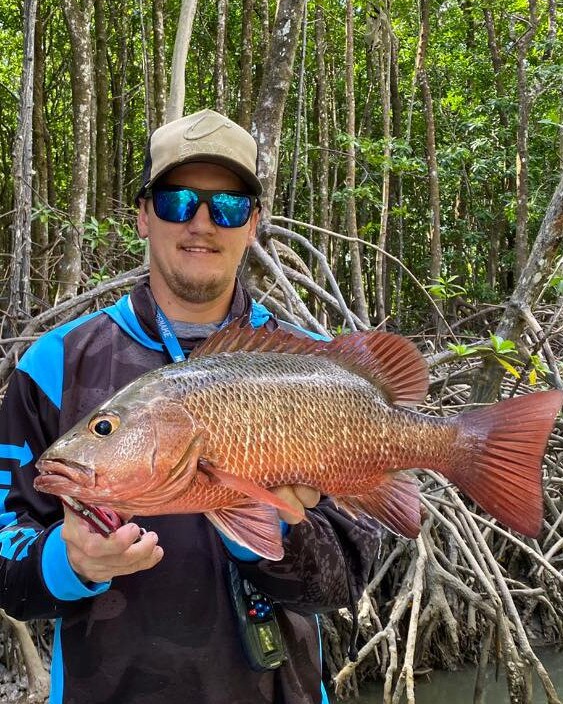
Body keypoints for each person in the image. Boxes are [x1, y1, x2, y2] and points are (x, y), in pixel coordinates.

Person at [0, 109, 382, 704]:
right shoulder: (53, 366)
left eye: (227, 206)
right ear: (144, 214)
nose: (202, 222)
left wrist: (275, 524)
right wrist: (69, 560)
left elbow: (344, 579)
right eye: (178, 201)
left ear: (253, 224)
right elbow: (5, 554)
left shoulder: (316, 372)